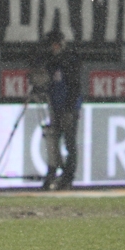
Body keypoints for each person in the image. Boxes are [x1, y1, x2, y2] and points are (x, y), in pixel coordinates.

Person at [38, 30, 81, 191]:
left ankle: (67, 177)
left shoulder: (69, 60)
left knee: (69, 143)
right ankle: (55, 173)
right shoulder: (52, 62)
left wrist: (69, 109)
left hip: (67, 108)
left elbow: (74, 86)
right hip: (56, 107)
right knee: (54, 143)